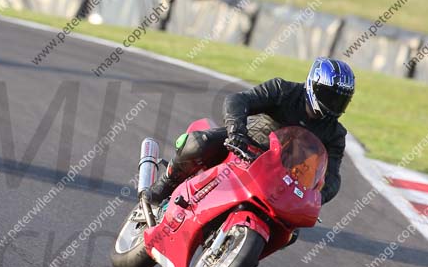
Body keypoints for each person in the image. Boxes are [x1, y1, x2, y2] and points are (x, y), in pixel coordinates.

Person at [145, 57, 356, 207]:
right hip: (246, 144)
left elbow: (333, 176)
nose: (334, 104)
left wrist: (317, 196)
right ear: (314, 84)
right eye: (330, 96)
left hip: (281, 176)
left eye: (341, 99)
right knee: (200, 142)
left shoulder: (335, 134)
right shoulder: (283, 90)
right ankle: (168, 181)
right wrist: (237, 132)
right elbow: (238, 100)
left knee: (292, 232)